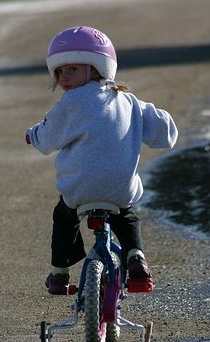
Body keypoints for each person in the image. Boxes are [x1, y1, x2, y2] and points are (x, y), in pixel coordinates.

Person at [25, 26, 178, 295]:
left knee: (64, 216)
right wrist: (165, 125)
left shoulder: (70, 103)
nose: (64, 77)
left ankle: (59, 274)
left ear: (97, 68)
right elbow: (164, 132)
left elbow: (47, 138)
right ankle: (136, 258)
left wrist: (32, 135)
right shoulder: (129, 102)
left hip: (79, 191)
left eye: (72, 69)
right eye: (60, 71)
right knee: (126, 215)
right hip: (120, 189)